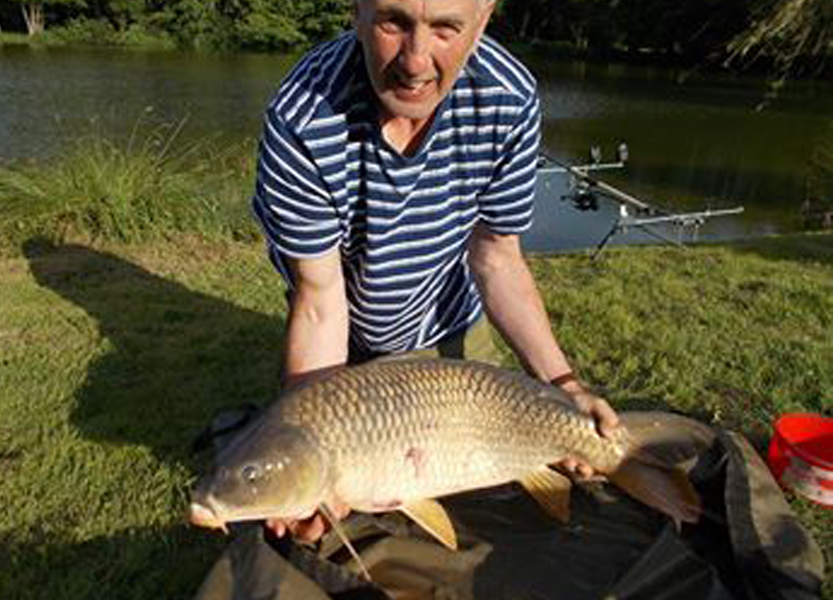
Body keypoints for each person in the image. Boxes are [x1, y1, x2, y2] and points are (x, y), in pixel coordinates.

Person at [251, 0, 619, 543]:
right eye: (393, 22)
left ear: (485, 19)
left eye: (446, 27)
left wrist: (563, 383)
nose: (416, 60)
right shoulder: (302, 114)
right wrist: (315, 437)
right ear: (356, 10)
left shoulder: (508, 97)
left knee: (499, 496)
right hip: (345, 344)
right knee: (325, 508)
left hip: (450, 329)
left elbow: (497, 258)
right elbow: (320, 300)